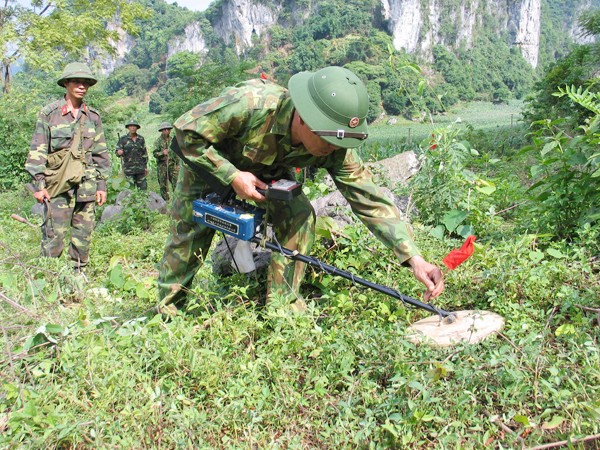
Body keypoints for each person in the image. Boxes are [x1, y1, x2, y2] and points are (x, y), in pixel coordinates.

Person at [157, 66, 444, 312]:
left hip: (266, 175)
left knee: (299, 215)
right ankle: (168, 313)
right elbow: (186, 132)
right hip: (207, 165)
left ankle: (283, 307)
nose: (335, 150)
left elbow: (369, 198)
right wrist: (230, 175)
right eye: (330, 140)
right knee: (189, 234)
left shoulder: (335, 146)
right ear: (305, 118)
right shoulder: (251, 104)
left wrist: (414, 257)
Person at [25, 62, 110, 272]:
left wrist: (101, 184)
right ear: (66, 83)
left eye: (86, 83)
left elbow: (100, 152)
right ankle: (50, 280)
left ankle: (78, 279)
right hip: (58, 185)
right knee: (54, 236)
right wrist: (39, 185)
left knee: (83, 236)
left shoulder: (93, 117)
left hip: (86, 185)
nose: (82, 86)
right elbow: (38, 151)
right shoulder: (49, 114)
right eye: (77, 81)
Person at [116, 119, 148, 190]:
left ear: (137, 128)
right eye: (131, 126)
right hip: (128, 170)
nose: (133, 128)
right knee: (130, 191)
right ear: (128, 128)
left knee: (143, 190)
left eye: (134, 126)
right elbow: (117, 152)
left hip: (140, 170)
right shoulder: (123, 139)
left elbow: (144, 153)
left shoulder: (141, 139)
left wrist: (145, 167)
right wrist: (119, 152)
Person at [152, 122, 180, 201]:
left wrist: (178, 164)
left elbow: (177, 153)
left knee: (176, 183)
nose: (166, 131)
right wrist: (162, 153)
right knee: (163, 185)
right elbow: (154, 153)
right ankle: (165, 200)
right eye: (164, 129)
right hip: (162, 166)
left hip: (172, 165)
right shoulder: (158, 141)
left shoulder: (173, 140)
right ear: (161, 130)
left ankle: (177, 200)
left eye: (168, 129)